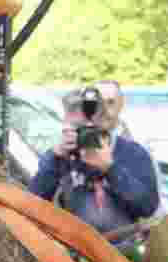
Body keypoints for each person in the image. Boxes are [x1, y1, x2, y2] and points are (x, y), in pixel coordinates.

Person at [28, 85, 160, 235]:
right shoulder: (61, 156)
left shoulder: (132, 152)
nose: (85, 134)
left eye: (89, 128)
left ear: (102, 120)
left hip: (121, 251)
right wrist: (55, 158)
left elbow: (148, 207)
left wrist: (110, 169)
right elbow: (32, 204)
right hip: (73, 251)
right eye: (78, 128)